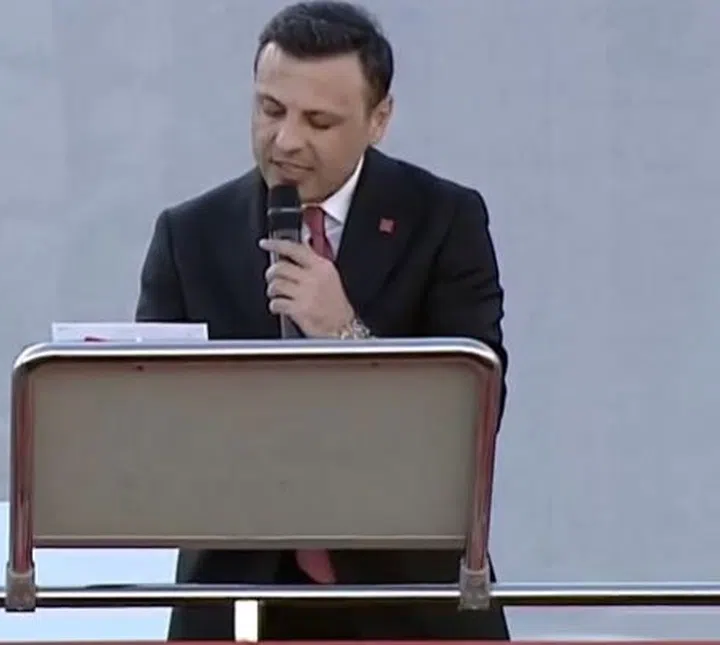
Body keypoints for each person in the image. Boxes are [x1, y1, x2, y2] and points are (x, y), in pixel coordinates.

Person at [134, 1, 509, 640]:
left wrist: (344, 332)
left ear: (379, 119)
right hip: (239, 597)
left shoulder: (444, 219)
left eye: (318, 121)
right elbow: (150, 422)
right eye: (270, 110)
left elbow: (476, 416)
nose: (285, 141)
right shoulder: (189, 235)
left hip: (411, 595)